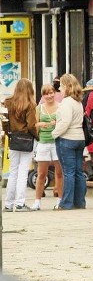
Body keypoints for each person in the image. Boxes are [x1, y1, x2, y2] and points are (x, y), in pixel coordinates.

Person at [2, 79, 38, 212]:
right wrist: (37, 136)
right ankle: (20, 203)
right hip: (27, 139)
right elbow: (31, 125)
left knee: (13, 172)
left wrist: (9, 135)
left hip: (14, 139)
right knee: (23, 172)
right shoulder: (30, 104)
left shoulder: (7, 102)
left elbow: (4, 122)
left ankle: (8, 204)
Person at [52, 74, 87, 210]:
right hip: (79, 138)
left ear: (67, 86)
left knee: (68, 172)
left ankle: (66, 203)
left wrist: (54, 133)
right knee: (78, 172)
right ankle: (80, 202)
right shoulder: (78, 101)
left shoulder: (66, 102)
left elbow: (65, 122)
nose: (59, 88)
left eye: (61, 85)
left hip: (67, 139)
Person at [33, 84, 63, 210]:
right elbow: (34, 124)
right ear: (43, 96)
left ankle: (60, 200)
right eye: (46, 94)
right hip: (43, 143)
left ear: (55, 93)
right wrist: (42, 124)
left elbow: (64, 122)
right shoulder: (39, 108)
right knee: (41, 173)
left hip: (57, 142)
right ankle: (37, 201)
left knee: (59, 172)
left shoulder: (61, 107)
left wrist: (57, 123)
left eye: (51, 93)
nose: (49, 95)